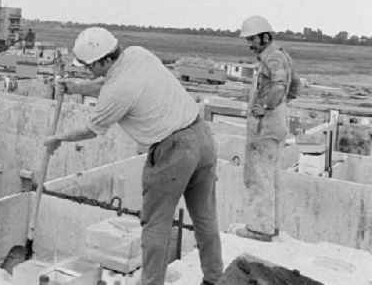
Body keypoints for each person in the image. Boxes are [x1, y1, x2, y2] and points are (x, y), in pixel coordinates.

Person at [44, 27, 222, 285]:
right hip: (201, 137)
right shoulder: (137, 55)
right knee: (205, 217)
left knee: (155, 226)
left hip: (172, 151)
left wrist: (58, 138)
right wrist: (75, 87)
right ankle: (215, 278)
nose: (87, 70)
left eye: (90, 66)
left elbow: (91, 129)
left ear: (105, 59)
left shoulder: (117, 92)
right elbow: (109, 82)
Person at [235, 16, 295, 242]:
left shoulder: (273, 58)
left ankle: (259, 229)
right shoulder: (281, 56)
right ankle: (271, 226)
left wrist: (266, 106)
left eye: (252, 39)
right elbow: (294, 86)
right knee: (270, 177)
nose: (249, 44)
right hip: (276, 124)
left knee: (258, 176)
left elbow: (280, 86)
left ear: (265, 37)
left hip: (266, 127)